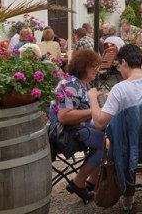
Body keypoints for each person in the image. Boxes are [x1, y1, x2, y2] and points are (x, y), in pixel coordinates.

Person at [49, 49, 103, 202]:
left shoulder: (82, 83)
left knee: (107, 132)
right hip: (65, 132)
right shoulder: (71, 83)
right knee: (106, 143)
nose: (97, 70)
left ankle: (92, 182)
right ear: (82, 66)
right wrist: (94, 111)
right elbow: (64, 116)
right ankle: (79, 182)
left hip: (78, 127)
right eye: (93, 66)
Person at [87, 44, 142, 132]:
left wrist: (93, 97)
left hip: (129, 143)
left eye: (119, 66)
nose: (120, 69)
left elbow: (99, 124)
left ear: (124, 63)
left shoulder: (119, 89)